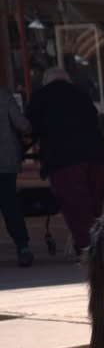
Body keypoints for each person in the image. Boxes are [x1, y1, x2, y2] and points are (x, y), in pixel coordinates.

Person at [25, 68, 104, 260]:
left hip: (64, 159)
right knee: (94, 208)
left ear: (47, 82)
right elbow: (94, 119)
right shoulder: (81, 93)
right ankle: (95, 248)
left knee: (77, 210)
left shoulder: (41, 97)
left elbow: (30, 129)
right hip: (97, 156)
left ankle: (89, 253)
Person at [1, 85, 33, 267]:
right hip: (5, 161)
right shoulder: (4, 96)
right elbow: (22, 124)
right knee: (10, 206)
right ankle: (23, 247)